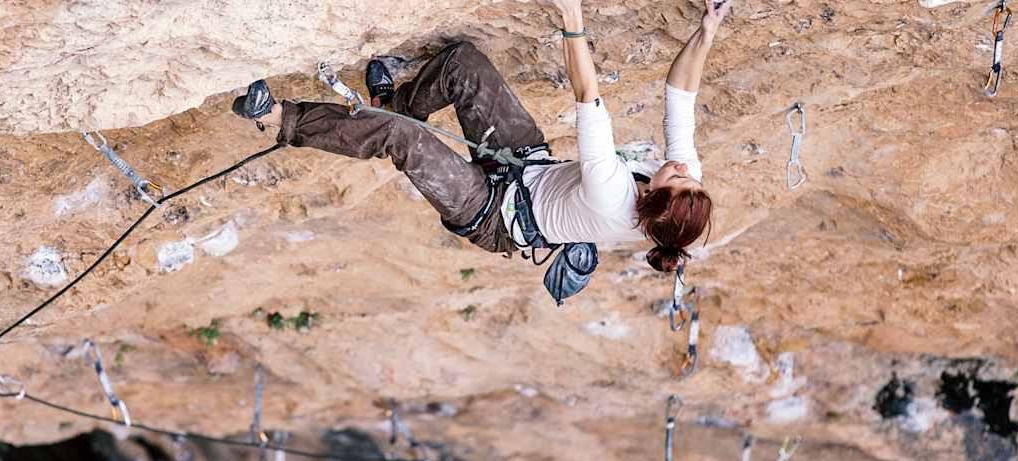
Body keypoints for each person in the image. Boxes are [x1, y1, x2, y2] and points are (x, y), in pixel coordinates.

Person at [232, 0, 729, 273]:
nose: (684, 171)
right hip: (526, 169)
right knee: (463, 64)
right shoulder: (678, 187)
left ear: (652, 201)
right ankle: (390, 102)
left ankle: (280, 118)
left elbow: (587, 95)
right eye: (691, 182)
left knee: (402, 138)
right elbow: (679, 95)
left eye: (679, 183)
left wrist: (571, 17)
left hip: (491, 215)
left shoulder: (611, 194)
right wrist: (706, 32)